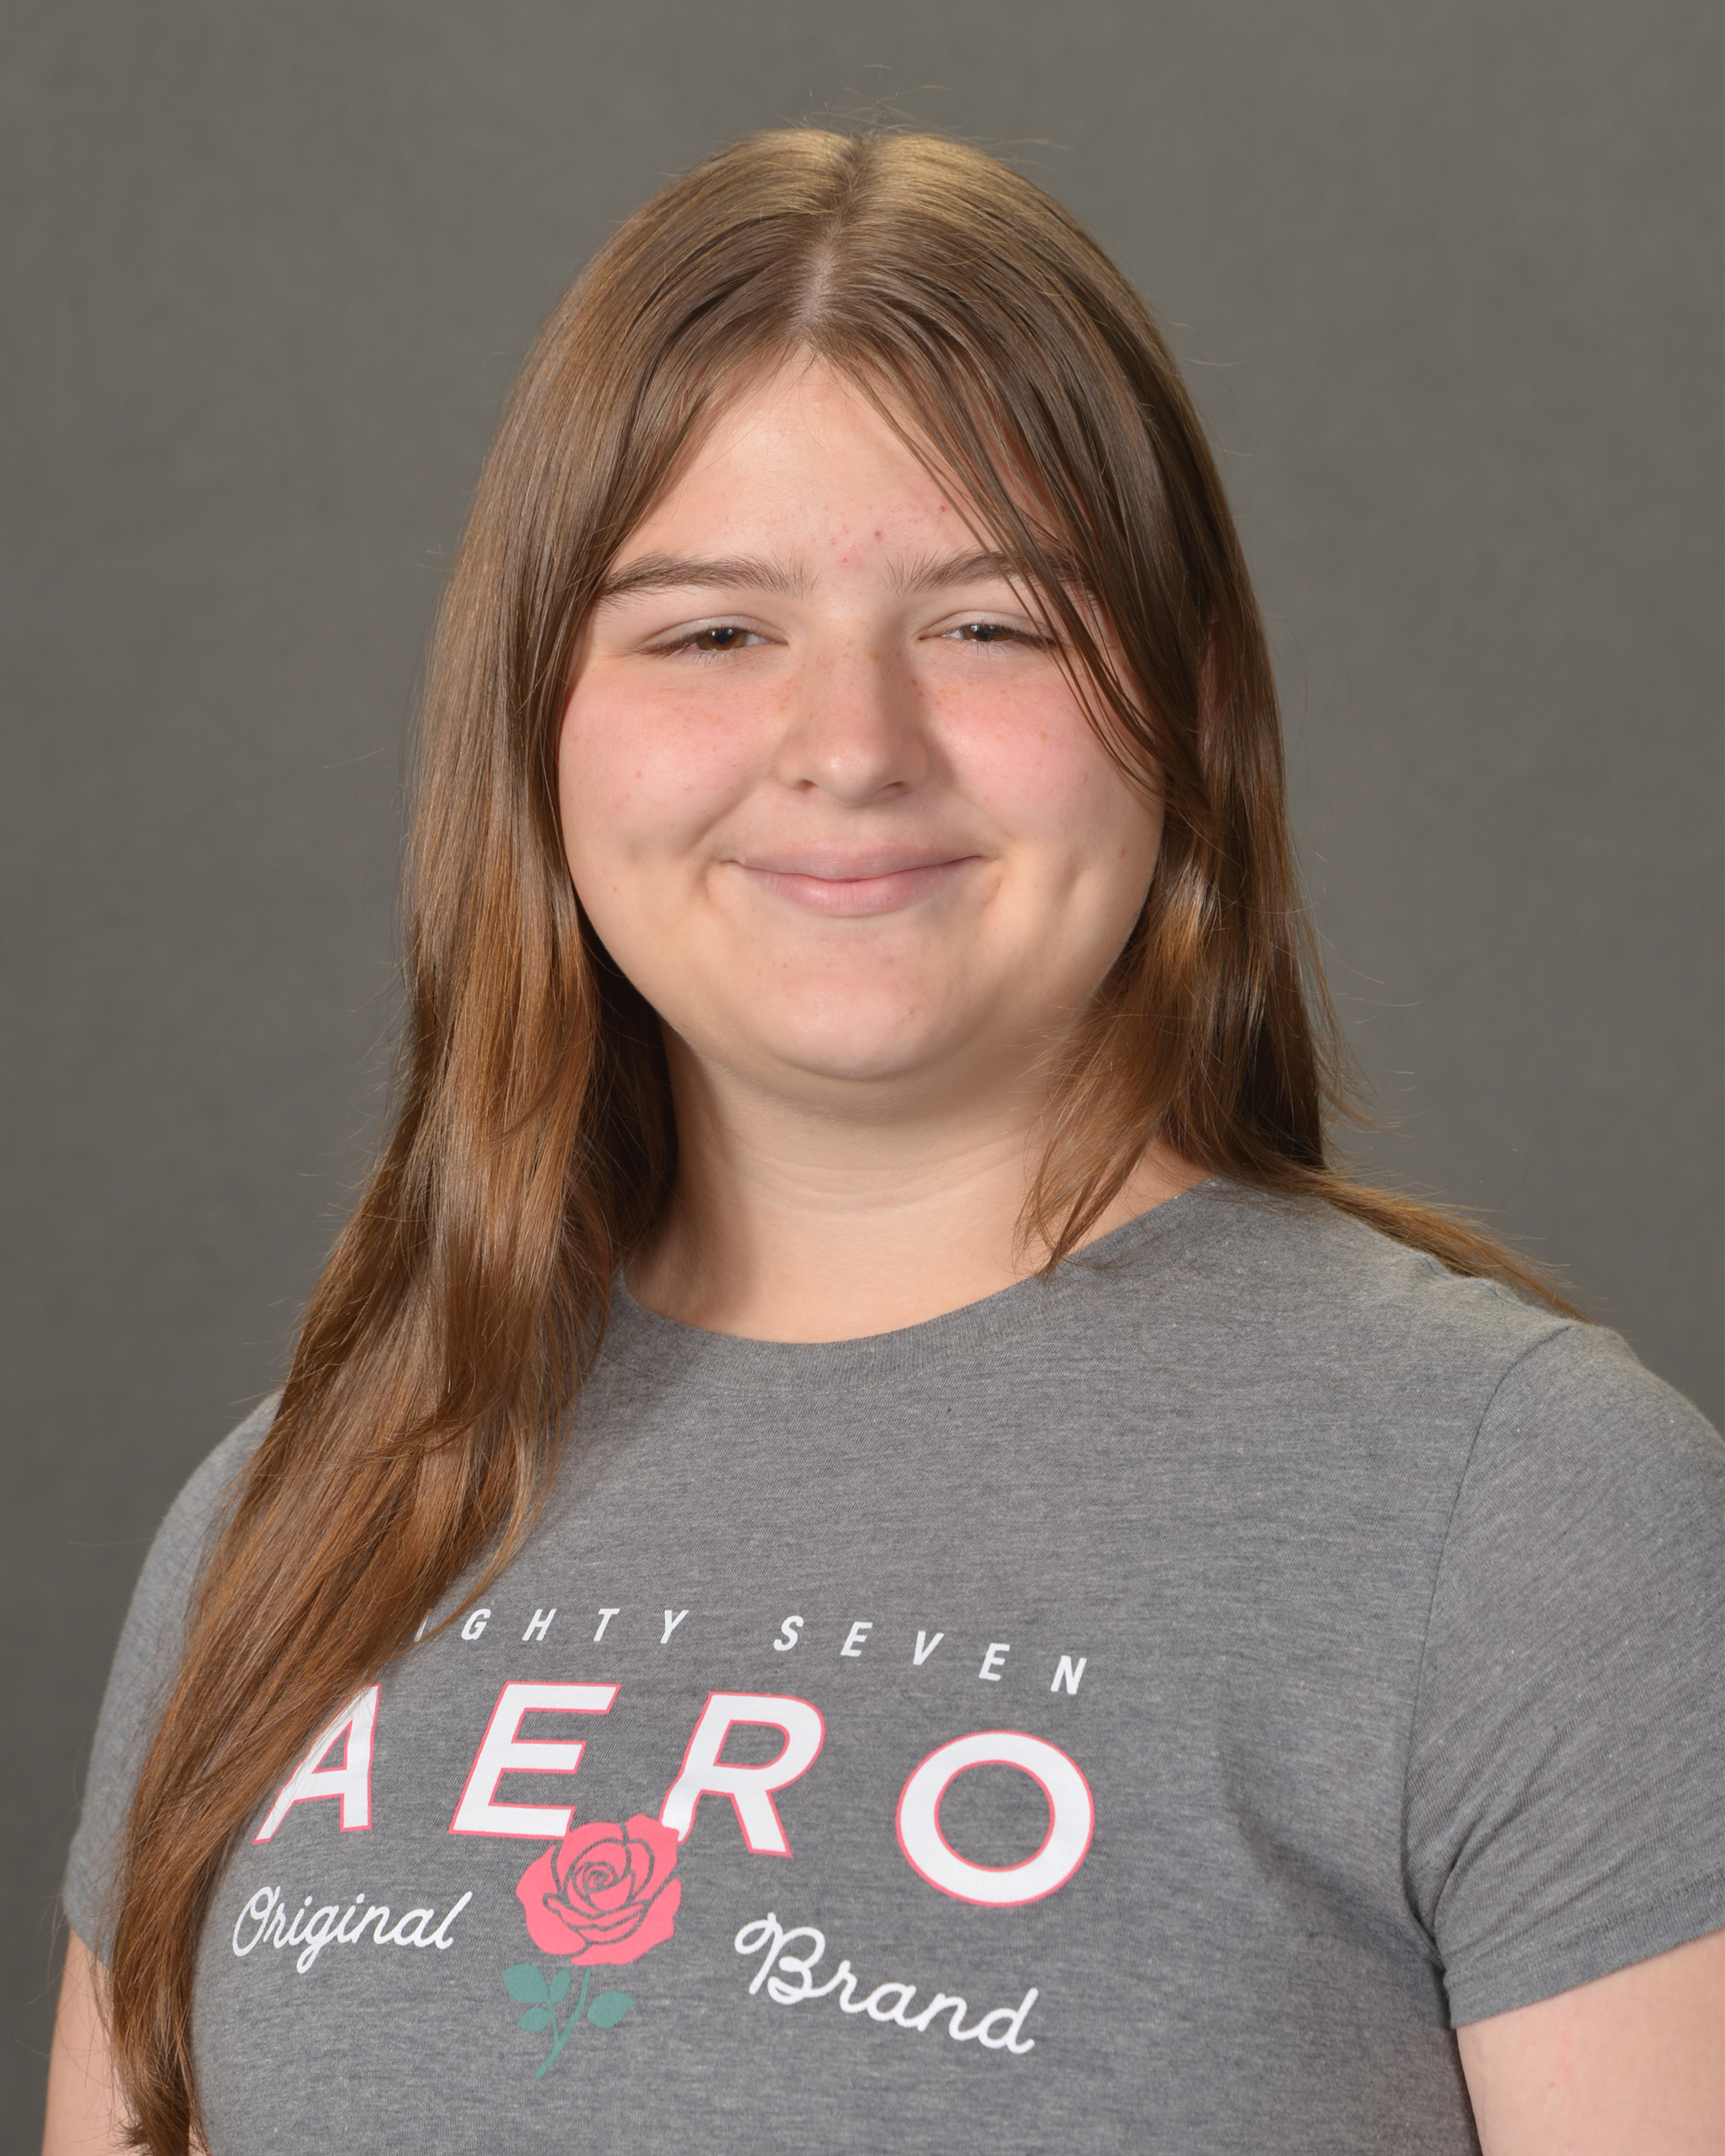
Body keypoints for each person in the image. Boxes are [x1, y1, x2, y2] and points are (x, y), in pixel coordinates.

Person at [44, 128, 1724, 2156]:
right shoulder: (298, 1516)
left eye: (993, 626)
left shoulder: (1528, 1522)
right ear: (537, 722)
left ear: (1191, 709)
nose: (849, 747)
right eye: (709, 632)